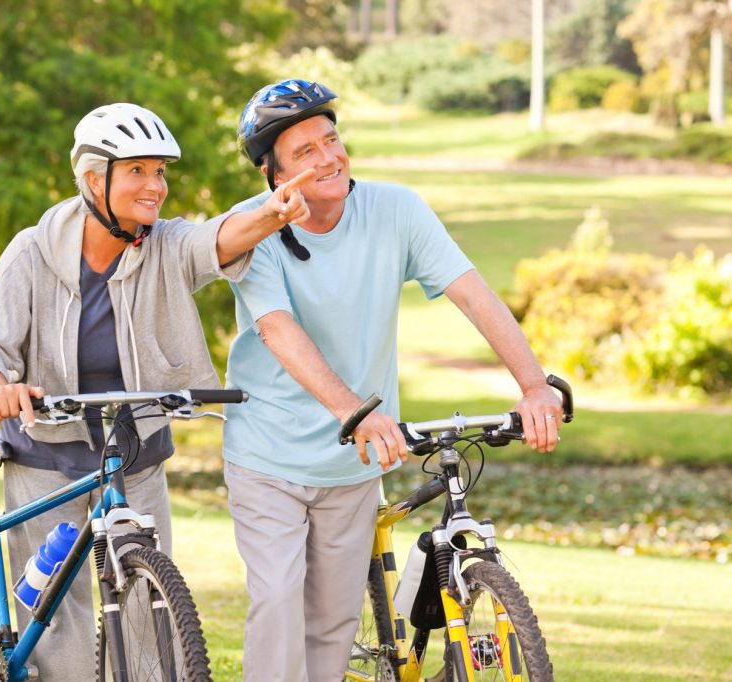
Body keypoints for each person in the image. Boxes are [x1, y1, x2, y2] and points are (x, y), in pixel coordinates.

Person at [221, 79, 564, 682]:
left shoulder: (396, 210)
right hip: (268, 454)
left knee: (331, 624)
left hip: (352, 463)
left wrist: (535, 386)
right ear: (273, 175)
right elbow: (278, 332)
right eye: (305, 152)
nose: (328, 158)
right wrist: (358, 411)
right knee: (277, 601)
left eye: (332, 141)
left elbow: (473, 295)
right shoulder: (251, 229)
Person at [0, 102, 312, 680]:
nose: (156, 186)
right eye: (139, 171)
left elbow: (212, 241)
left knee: (150, 609)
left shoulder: (164, 246)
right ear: (95, 180)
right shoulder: (33, 250)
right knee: (54, 623)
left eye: (161, 171)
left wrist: (272, 214)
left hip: (134, 458)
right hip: (47, 456)